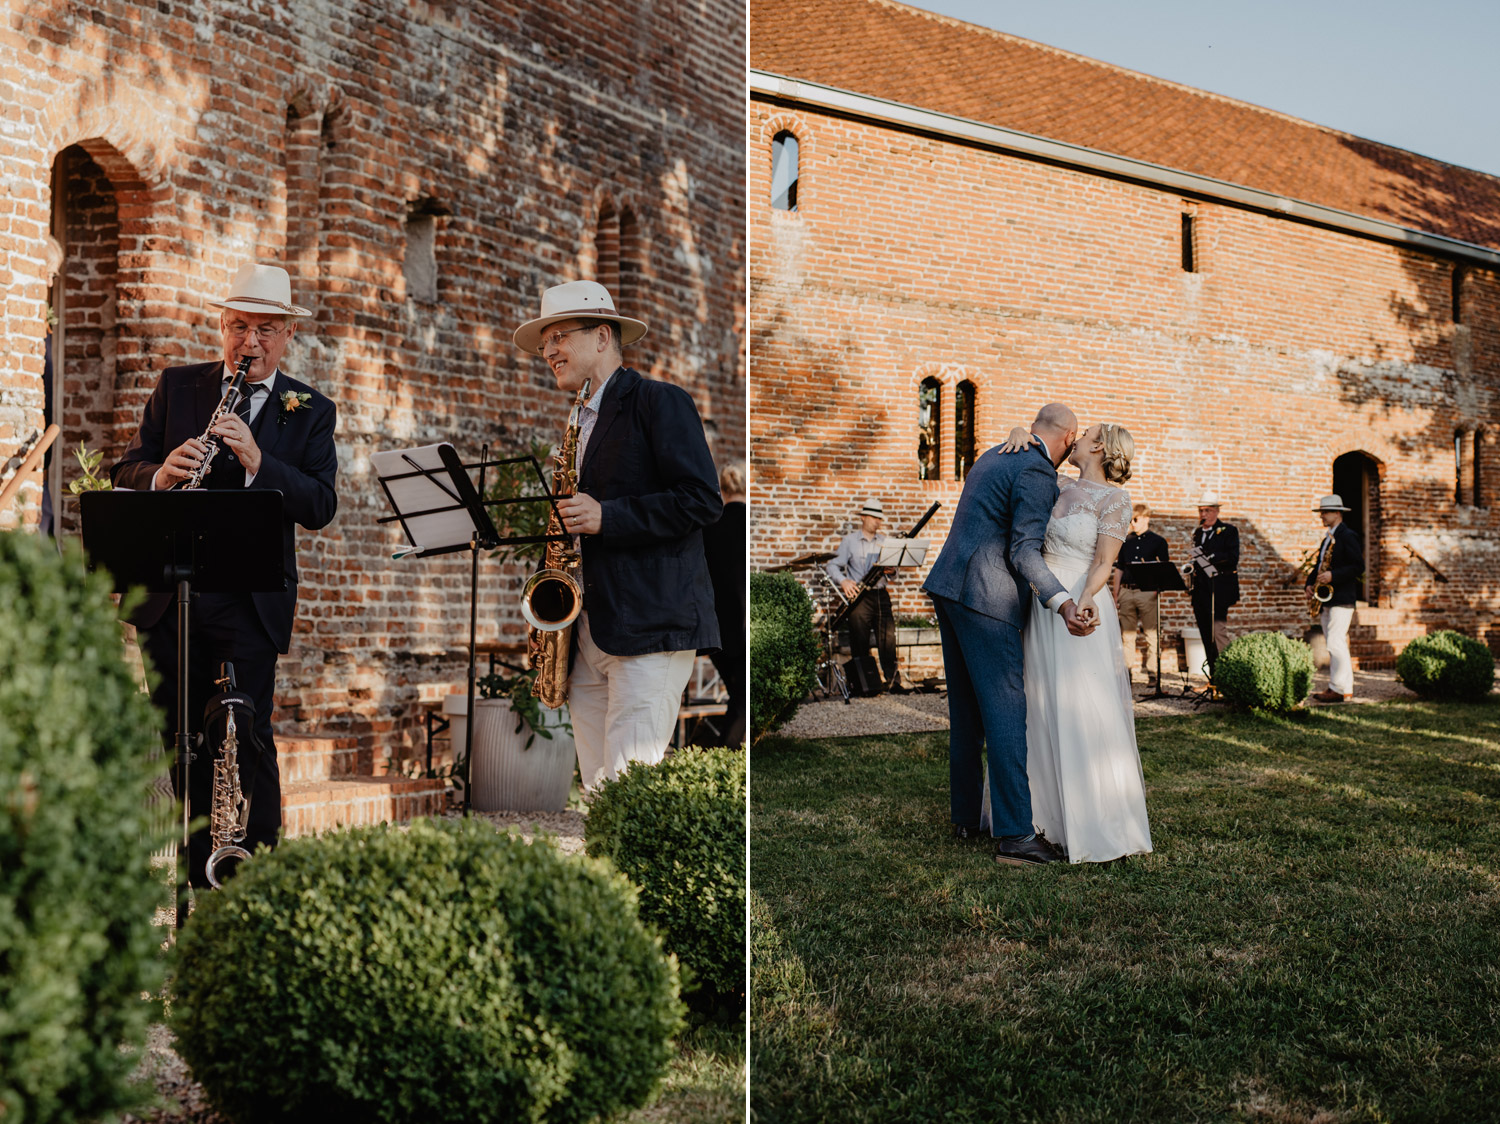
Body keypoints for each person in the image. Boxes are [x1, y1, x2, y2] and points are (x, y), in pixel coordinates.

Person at [110, 262, 338, 888]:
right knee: (180, 743)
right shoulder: (178, 387)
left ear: (288, 334)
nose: (250, 342)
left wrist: (259, 462)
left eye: (266, 329)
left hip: (249, 604)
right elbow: (126, 468)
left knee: (245, 740)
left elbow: (320, 505)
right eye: (239, 326)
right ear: (222, 325)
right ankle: (195, 884)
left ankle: (254, 880)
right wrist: (160, 476)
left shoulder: (310, 411)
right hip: (172, 597)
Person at [511, 280, 721, 789]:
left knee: (631, 784)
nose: (549, 351)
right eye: (544, 343)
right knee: (600, 789)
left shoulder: (659, 401)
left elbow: (702, 499)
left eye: (559, 336)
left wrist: (608, 517)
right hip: (589, 627)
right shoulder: (577, 422)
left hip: (649, 626)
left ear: (603, 336)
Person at [922, 403, 1094, 868]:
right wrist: (1062, 603)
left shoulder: (994, 454)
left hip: (949, 587)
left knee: (966, 712)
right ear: (1069, 436)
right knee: (1005, 712)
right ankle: (1017, 834)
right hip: (988, 597)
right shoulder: (1037, 470)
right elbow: (1023, 551)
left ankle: (965, 818)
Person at [826, 497, 899, 694]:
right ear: (864, 518)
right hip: (859, 598)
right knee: (859, 640)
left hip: (881, 595)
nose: (877, 521)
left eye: (879, 518)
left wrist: (892, 571)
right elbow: (832, 565)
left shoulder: (885, 542)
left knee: (888, 639)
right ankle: (864, 685)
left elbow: (894, 572)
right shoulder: (849, 541)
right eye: (874, 517)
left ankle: (893, 683)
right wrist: (843, 581)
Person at [701, 462, 747, 745]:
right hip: (741, 627)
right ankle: (727, 755)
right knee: (743, 700)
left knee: (738, 696)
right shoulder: (747, 525)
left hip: (715, 631)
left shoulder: (708, 528)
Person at [1307, 494, 1364, 703]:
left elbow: (1359, 566)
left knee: (1335, 643)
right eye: (1321, 512)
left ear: (1338, 513)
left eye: (1326, 512)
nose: (1322, 516)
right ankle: (1340, 687)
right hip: (1327, 599)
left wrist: (1333, 576)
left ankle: (1340, 688)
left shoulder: (1348, 536)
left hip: (1342, 597)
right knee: (1334, 643)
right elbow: (1319, 564)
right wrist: (1309, 583)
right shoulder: (1328, 538)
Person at [1110, 503, 1171, 685]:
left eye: (1135, 520)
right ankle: (1127, 675)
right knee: (1127, 636)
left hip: (1147, 593)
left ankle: (1153, 674)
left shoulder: (1158, 542)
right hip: (1126, 592)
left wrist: (1154, 590)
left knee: (1151, 634)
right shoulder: (1125, 541)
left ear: (1146, 518)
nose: (1132, 524)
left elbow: (1164, 569)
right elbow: (1119, 569)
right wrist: (1116, 594)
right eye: (1130, 520)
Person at [1186, 493, 1239, 678]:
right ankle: (1213, 679)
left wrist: (1209, 556)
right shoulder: (1198, 532)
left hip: (1220, 589)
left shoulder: (1228, 530)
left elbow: (1233, 558)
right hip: (1200, 590)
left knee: (1218, 633)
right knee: (1205, 633)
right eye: (1201, 510)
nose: (1203, 514)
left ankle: (1226, 677)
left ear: (1216, 511)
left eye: (1207, 510)